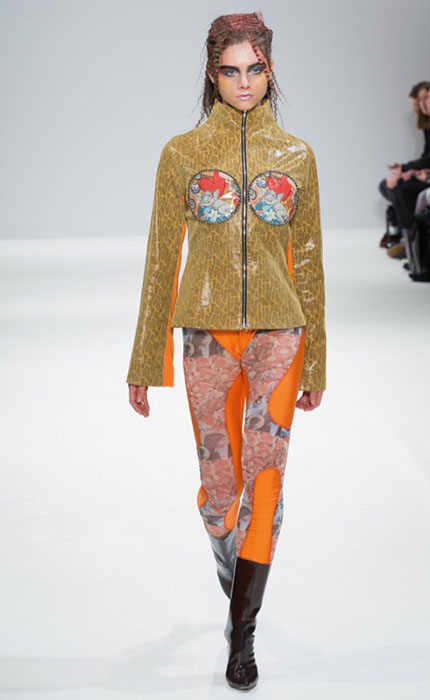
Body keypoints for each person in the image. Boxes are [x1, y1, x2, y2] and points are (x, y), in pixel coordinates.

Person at [125, 11, 326, 691]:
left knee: (265, 482)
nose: (244, 82)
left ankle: (243, 635)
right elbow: (161, 259)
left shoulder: (297, 156)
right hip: (205, 336)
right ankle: (229, 558)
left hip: (280, 336)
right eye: (231, 71)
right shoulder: (181, 154)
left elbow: (311, 265)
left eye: (255, 69)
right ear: (212, 75)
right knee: (221, 493)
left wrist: (317, 360)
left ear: (270, 71)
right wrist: (144, 361)